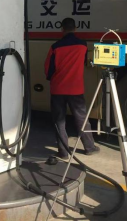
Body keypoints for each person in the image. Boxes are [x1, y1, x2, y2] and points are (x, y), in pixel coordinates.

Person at [44, 18, 100, 159]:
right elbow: (84, 62)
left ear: (62, 29)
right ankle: (89, 147)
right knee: (81, 118)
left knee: (59, 120)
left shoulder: (55, 47)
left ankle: (63, 152)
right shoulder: (83, 45)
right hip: (76, 89)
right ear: (75, 28)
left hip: (58, 89)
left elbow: (48, 71)